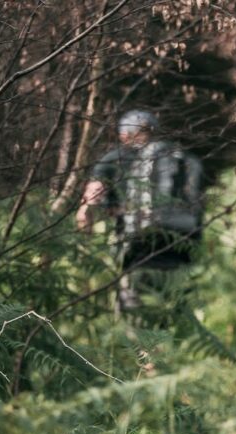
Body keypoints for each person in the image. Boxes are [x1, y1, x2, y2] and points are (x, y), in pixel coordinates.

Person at [76, 110, 202, 315]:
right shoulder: (179, 157)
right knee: (176, 304)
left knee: (133, 308)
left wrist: (85, 242)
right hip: (184, 239)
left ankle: (135, 335)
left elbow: (89, 204)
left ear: (123, 135)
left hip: (138, 243)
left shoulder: (113, 159)